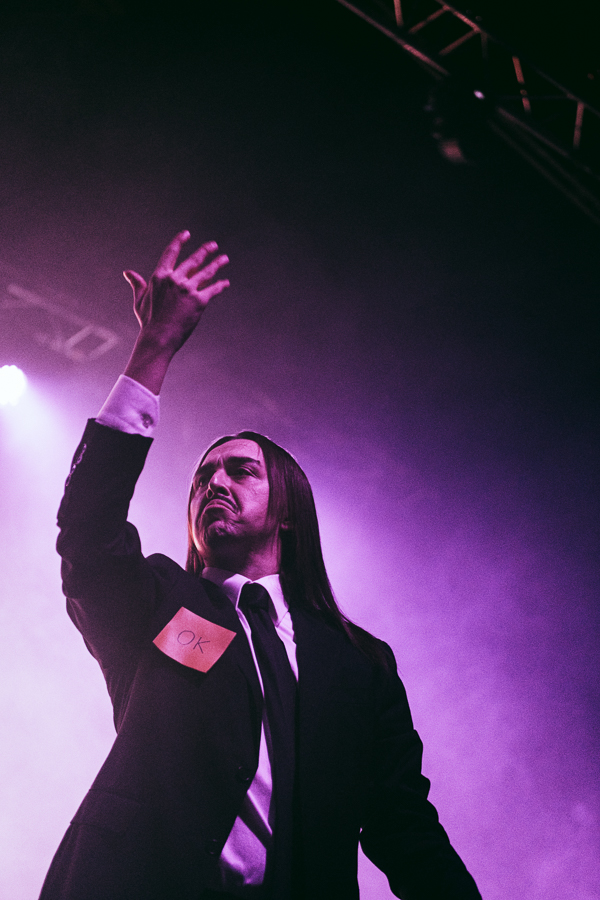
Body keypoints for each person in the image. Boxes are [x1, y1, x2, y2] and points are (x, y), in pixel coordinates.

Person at [40, 232, 482, 900]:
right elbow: (89, 532)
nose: (215, 482)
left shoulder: (359, 663)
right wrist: (154, 347)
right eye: (203, 478)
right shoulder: (161, 605)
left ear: (288, 513)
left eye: (241, 471)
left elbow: (403, 824)